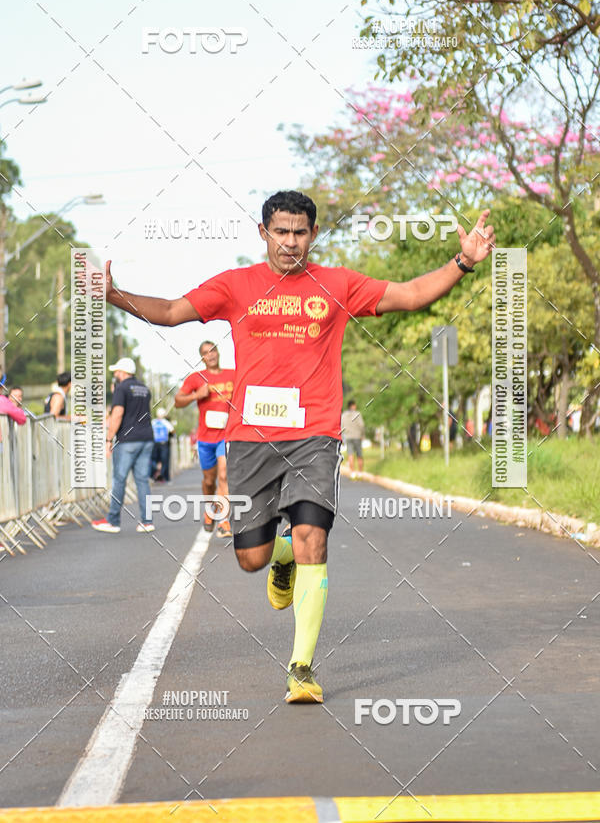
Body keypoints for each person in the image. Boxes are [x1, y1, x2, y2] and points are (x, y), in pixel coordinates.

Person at [104, 190, 495, 702]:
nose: (291, 242)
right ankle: (280, 554)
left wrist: (463, 261)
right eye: (281, 232)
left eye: (300, 232)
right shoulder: (236, 285)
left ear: (313, 234)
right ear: (263, 232)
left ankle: (302, 667)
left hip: (315, 434)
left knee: (314, 532)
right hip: (249, 440)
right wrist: (115, 296)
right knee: (251, 558)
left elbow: (409, 294)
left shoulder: (336, 283)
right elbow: (174, 310)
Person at [174, 342, 235, 538]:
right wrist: (196, 395)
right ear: (202, 358)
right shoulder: (196, 378)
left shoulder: (233, 375)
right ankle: (210, 510)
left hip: (226, 435)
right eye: (206, 353)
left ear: (218, 352)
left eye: (214, 350)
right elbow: (177, 401)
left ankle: (224, 520)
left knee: (224, 475)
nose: (211, 355)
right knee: (209, 480)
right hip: (205, 438)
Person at [92, 357, 155, 534]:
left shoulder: (122, 388)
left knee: (119, 479)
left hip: (128, 439)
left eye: (116, 371)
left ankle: (113, 520)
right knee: (142, 480)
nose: (115, 374)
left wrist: (108, 439)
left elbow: (117, 413)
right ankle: (147, 521)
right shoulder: (144, 388)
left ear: (122, 372)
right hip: (146, 437)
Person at [340, 399, 365, 477]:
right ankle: (360, 473)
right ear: (353, 406)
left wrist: (343, 436)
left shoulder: (344, 415)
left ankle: (352, 473)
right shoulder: (357, 414)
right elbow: (362, 425)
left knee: (350, 454)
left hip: (348, 437)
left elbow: (341, 426)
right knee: (359, 454)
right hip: (357, 436)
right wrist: (363, 435)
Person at [151, 407, 174, 482]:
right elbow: (172, 431)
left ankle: (156, 473)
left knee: (154, 460)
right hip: (164, 444)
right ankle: (163, 476)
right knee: (164, 460)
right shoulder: (165, 422)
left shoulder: (153, 422)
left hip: (154, 443)